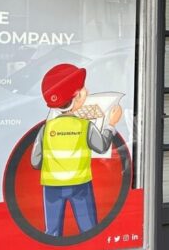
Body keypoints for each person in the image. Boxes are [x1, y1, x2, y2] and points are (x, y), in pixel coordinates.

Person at [31, 63, 122, 237]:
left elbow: (35, 162)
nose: (86, 91)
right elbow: (102, 147)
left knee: (52, 232)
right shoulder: (85, 126)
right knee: (88, 228)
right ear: (78, 96)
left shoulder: (46, 128)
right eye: (83, 89)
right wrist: (111, 124)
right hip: (81, 186)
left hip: (51, 187)